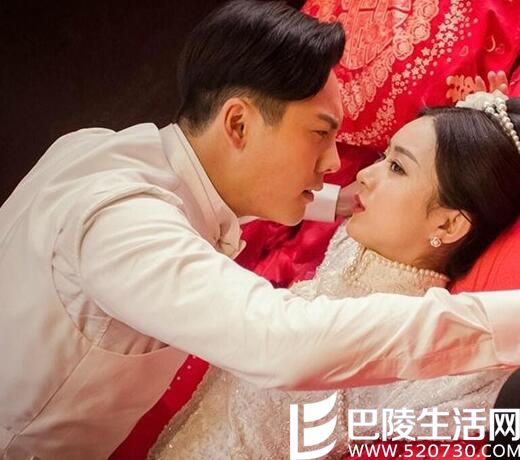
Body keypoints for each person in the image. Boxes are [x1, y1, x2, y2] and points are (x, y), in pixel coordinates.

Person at [0, 1, 519, 458]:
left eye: (396, 166)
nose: (337, 163)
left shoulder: (94, 147)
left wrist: (333, 202)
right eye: (319, 134)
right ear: (239, 124)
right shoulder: (123, 225)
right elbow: (278, 342)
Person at [150, 92, 520, 459]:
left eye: (397, 167)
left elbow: (478, 403)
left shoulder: (411, 342)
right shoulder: (357, 240)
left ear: (449, 224)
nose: (364, 175)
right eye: (383, 157)